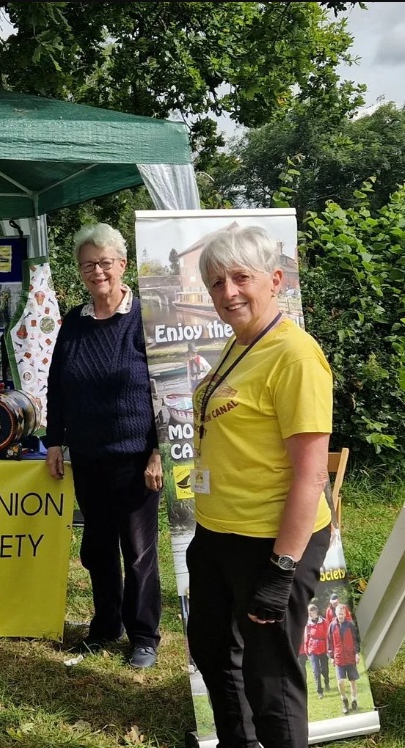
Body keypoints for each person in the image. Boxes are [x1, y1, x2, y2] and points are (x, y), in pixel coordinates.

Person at [185, 225, 333, 748]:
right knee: (210, 647)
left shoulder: (295, 356)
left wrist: (282, 569)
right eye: (217, 282)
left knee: (270, 678)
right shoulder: (239, 345)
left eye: (241, 278)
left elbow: (312, 473)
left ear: (274, 280)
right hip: (219, 531)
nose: (228, 292)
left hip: (270, 542)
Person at [44, 223, 162, 669]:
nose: (97, 272)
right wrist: (55, 441)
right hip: (88, 456)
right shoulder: (74, 321)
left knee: (138, 552)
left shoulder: (146, 319)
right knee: (96, 549)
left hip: (136, 457)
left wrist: (158, 451)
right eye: (88, 265)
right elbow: (58, 386)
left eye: (105, 263)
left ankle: (145, 636)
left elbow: (167, 391)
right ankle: (105, 625)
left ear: (123, 265)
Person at [328, 604, 361, 714]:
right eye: (338, 614)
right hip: (338, 658)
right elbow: (329, 642)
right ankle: (344, 701)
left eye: (342, 614)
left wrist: (357, 653)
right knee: (340, 681)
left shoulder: (350, 625)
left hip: (350, 657)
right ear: (336, 614)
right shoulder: (332, 626)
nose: (340, 616)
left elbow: (356, 640)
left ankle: (354, 700)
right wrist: (331, 656)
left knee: (352, 682)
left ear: (345, 613)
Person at [304, 603, 331, 698]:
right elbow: (306, 637)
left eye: (312, 612)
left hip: (323, 649)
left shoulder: (324, 622)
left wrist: (329, 649)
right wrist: (306, 650)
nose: (310, 614)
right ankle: (319, 691)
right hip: (313, 650)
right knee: (316, 671)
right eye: (309, 612)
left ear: (316, 611)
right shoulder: (307, 624)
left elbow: (328, 636)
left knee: (324, 669)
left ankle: (327, 681)